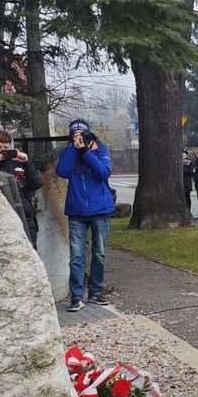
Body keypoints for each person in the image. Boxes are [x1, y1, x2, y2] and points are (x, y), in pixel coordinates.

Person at [56, 118, 115, 311]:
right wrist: (74, 149)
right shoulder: (68, 152)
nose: (79, 138)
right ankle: (77, 296)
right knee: (76, 256)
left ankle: (96, 292)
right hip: (77, 211)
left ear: (89, 134)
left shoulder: (101, 150)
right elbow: (62, 172)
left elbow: (103, 173)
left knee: (99, 253)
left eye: (83, 134)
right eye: (75, 134)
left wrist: (85, 152)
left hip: (100, 210)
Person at [0, 130, 43, 247]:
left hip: (27, 219)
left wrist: (26, 162)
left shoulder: (19, 164)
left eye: (6, 147)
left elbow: (36, 184)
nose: (3, 150)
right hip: (5, 221)